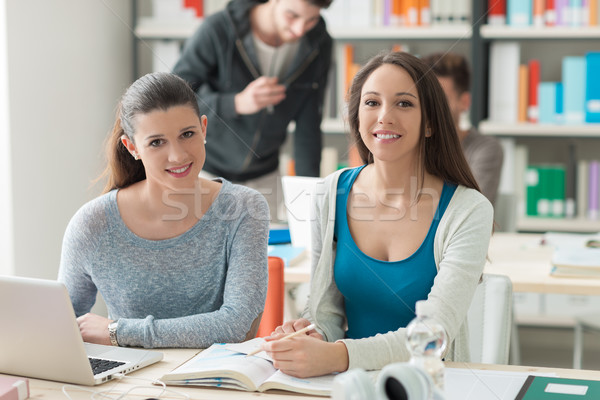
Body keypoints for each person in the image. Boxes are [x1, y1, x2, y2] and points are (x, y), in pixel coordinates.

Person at [261, 52, 494, 378]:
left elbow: (433, 334)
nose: (384, 116)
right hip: (344, 385)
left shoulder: (468, 211)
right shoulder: (331, 194)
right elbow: (325, 313)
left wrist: (334, 356)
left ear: (430, 124)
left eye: (404, 104)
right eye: (372, 103)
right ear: (357, 116)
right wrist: (312, 334)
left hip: (428, 386)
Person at [57, 72, 269, 348]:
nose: (178, 155)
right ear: (132, 147)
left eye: (187, 134)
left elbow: (236, 324)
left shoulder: (244, 209)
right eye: (157, 142)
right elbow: (62, 324)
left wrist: (119, 332)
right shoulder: (93, 223)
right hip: (127, 384)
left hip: (212, 382)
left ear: (204, 129)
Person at [173, 0, 333, 221]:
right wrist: (236, 103)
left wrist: (310, 199)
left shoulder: (319, 43)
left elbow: (309, 126)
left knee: (268, 253)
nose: (299, 30)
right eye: (292, 16)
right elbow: (174, 101)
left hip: (266, 176)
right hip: (206, 171)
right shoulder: (218, 29)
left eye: (311, 19)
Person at [422, 52, 504, 207]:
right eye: (425, 98)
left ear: (464, 102)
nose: (430, 107)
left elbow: (472, 211)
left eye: (441, 99)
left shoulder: (484, 149)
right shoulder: (409, 146)